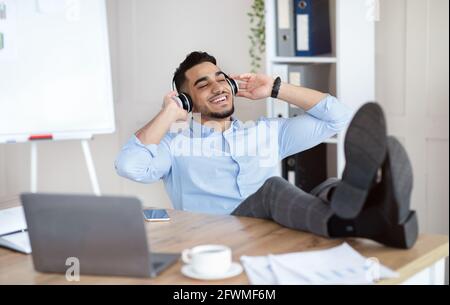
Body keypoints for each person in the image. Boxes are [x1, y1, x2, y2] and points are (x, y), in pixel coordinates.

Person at [115, 51, 418, 249]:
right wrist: (170, 113)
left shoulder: (266, 132)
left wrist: (275, 88)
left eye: (221, 79)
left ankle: (383, 214)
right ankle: (363, 218)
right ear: (187, 100)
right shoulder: (174, 145)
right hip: (217, 242)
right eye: (203, 85)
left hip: (274, 234)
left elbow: (338, 117)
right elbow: (130, 165)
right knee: (273, 188)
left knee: (330, 187)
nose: (218, 86)